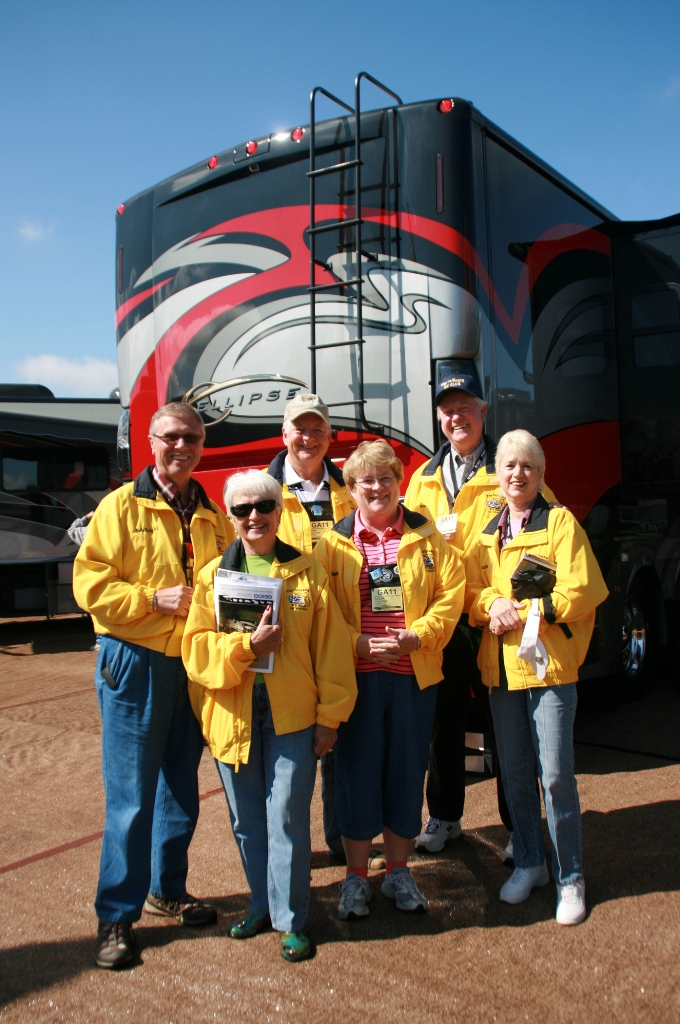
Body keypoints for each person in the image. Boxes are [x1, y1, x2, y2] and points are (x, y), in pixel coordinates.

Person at [73, 402, 234, 970]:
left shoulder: (212, 515)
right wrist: (151, 600)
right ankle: (116, 917)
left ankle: (167, 889)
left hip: (190, 665)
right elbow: (89, 586)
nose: (181, 446)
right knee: (131, 799)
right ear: (150, 440)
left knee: (179, 792)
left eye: (191, 437)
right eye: (171, 437)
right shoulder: (120, 506)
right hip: (134, 660)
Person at [182, 470, 356, 961]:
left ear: (280, 512)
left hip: (293, 715)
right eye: (242, 509)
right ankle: (261, 904)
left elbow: (332, 651)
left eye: (263, 507)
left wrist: (330, 716)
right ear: (232, 516)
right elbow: (196, 651)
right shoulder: (210, 577)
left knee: (286, 818)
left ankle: (290, 919)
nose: (253, 516)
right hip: (232, 713)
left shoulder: (308, 571)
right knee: (246, 821)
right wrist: (246, 647)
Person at [405, 372, 556, 861]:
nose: (456, 417)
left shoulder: (508, 465)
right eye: (448, 410)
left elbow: (547, 533)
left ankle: (518, 826)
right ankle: (445, 817)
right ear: (439, 419)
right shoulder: (423, 479)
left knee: (505, 726)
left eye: (465, 407)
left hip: (496, 618)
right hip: (445, 619)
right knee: (442, 723)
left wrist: (522, 602)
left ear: (483, 411)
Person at [314, 440, 465, 919]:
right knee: (356, 776)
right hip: (356, 678)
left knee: (405, 772)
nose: (376, 488)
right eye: (366, 481)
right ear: (353, 489)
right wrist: (354, 643)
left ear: (399, 482)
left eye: (385, 478)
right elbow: (322, 609)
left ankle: (399, 870)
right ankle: (356, 879)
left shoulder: (427, 538)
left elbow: (451, 595)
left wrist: (416, 637)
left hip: (411, 677)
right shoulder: (331, 543)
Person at [466, 429, 608, 925]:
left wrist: (533, 610)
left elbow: (585, 588)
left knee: (554, 775)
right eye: (508, 465)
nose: (517, 474)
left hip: (548, 669)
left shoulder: (561, 523)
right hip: (502, 670)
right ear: (497, 475)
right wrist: (493, 605)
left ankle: (571, 877)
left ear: (541, 474)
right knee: (516, 774)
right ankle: (530, 862)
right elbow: (473, 591)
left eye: (527, 466)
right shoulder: (487, 531)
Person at [265, 392, 355, 862]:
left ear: (329, 436)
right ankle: (291, 854)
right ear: (284, 434)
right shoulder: (263, 492)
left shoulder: (349, 489)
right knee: (293, 756)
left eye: (317, 428)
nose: (308, 437)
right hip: (291, 639)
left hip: (346, 636)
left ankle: (342, 840)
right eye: (299, 428)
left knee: (341, 745)